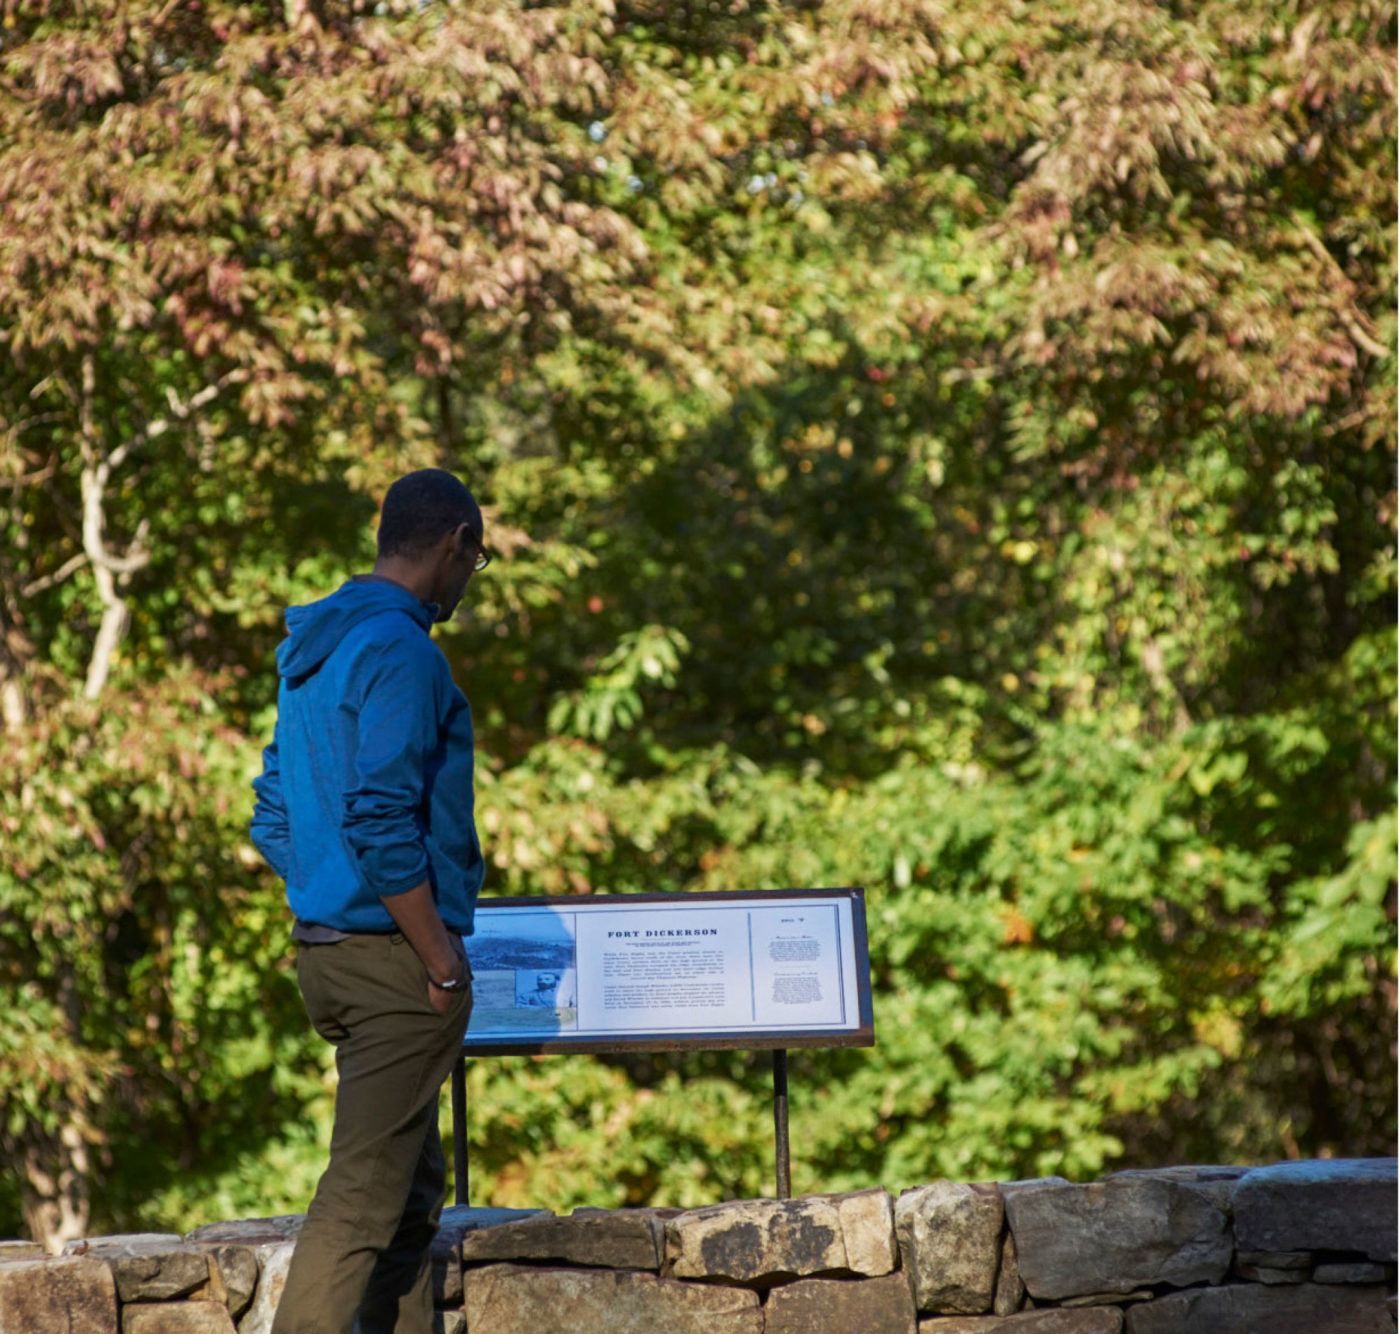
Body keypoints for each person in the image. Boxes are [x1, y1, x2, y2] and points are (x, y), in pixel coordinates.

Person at [250, 468, 489, 1334]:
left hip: (329, 956)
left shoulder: (318, 647)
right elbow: (383, 816)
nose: (471, 580)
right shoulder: (403, 651)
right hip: (396, 966)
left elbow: (274, 809)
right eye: (478, 560)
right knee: (357, 1207)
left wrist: (322, 889)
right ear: (455, 543)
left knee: (410, 1196)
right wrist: (441, 962)